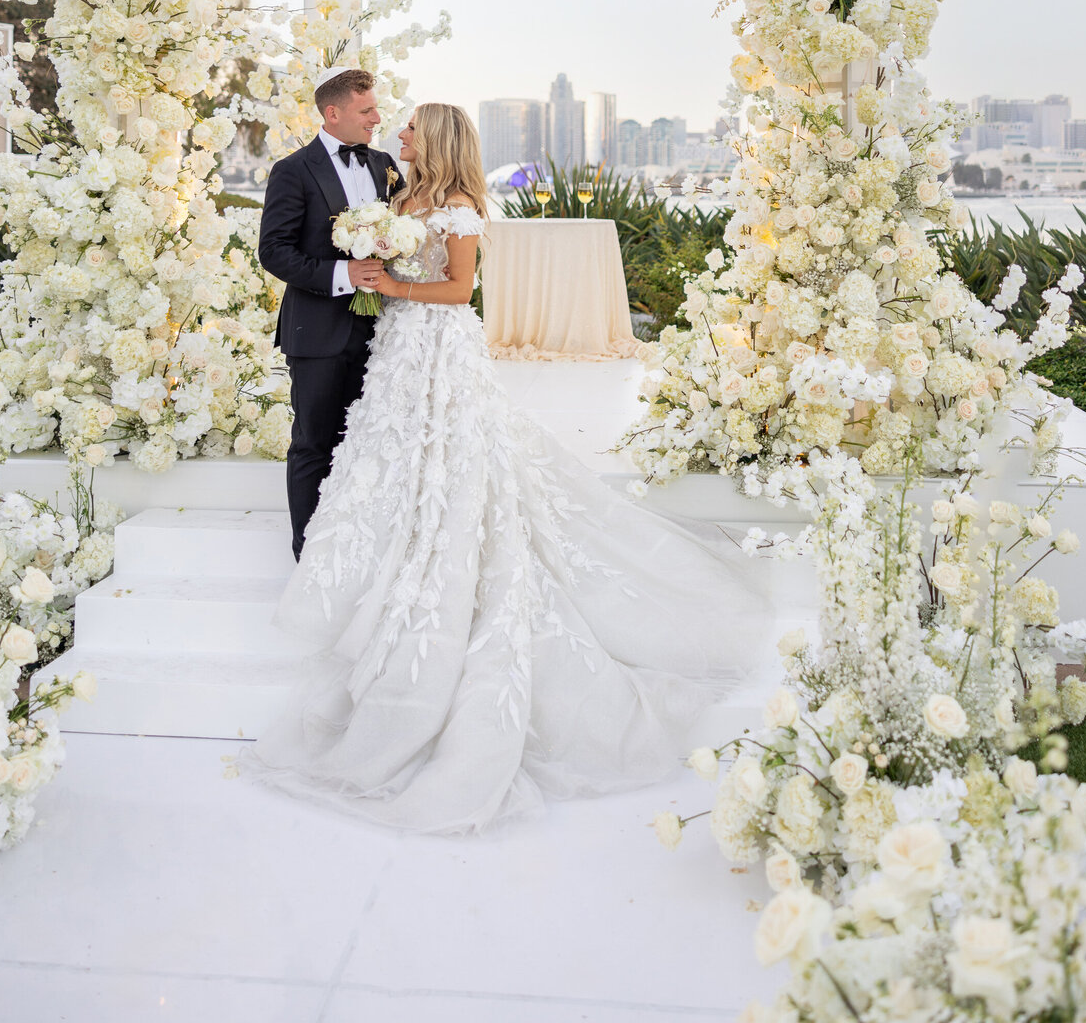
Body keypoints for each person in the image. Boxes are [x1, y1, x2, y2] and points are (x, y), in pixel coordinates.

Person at [250, 102, 766, 834]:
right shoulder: (401, 191)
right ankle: (378, 555)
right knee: (391, 454)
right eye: (390, 124)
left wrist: (390, 283)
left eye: (409, 128)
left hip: (440, 346)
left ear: (437, 139)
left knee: (455, 461)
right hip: (398, 350)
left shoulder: (459, 208)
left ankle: (443, 553)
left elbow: (458, 290)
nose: (397, 134)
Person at [257, 67, 403, 558]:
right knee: (314, 444)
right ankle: (310, 553)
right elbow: (274, 252)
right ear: (333, 113)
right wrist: (346, 277)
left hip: (384, 333)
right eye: (367, 111)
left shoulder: (385, 164)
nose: (377, 118)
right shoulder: (293, 171)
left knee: (368, 441)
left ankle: (361, 546)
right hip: (317, 333)